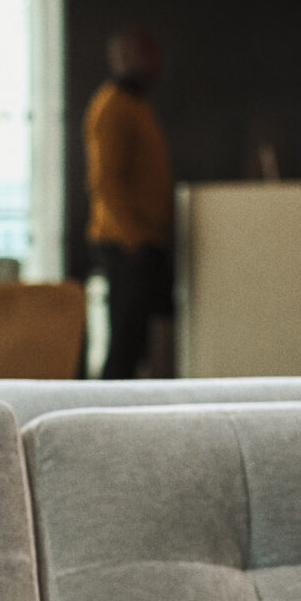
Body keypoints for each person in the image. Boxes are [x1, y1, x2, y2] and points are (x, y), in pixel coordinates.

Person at [85, 27, 175, 380]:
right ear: (121, 58)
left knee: (138, 342)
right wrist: (133, 239)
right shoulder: (112, 107)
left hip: (144, 242)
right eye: (144, 54)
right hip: (125, 244)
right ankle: (105, 421)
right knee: (124, 344)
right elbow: (104, 181)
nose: (154, 64)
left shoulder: (137, 106)